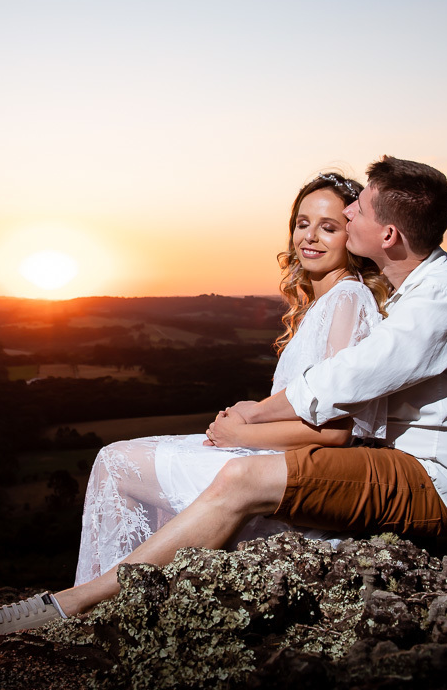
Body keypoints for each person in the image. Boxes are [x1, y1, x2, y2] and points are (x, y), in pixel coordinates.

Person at [0, 156, 447, 639]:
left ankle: (73, 607)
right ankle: (116, 603)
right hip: (389, 464)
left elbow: (351, 379)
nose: (350, 214)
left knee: (240, 477)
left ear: (388, 236)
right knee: (122, 461)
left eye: (356, 212)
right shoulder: (413, 289)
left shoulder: (439, 297)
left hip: (427, 481)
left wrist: (251, 418)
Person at [73, 172, 392, 586]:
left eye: (328, 227)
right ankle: (126, 597)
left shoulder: (348, 298)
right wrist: (250, 416)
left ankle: (97, 604)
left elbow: (334, 432)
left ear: (351, 237)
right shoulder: (325, 301)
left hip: (287, 472)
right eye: (302, 223)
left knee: (116, 463)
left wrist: (239, 435)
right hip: (274, 457)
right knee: (120, 460)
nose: (310, 237)